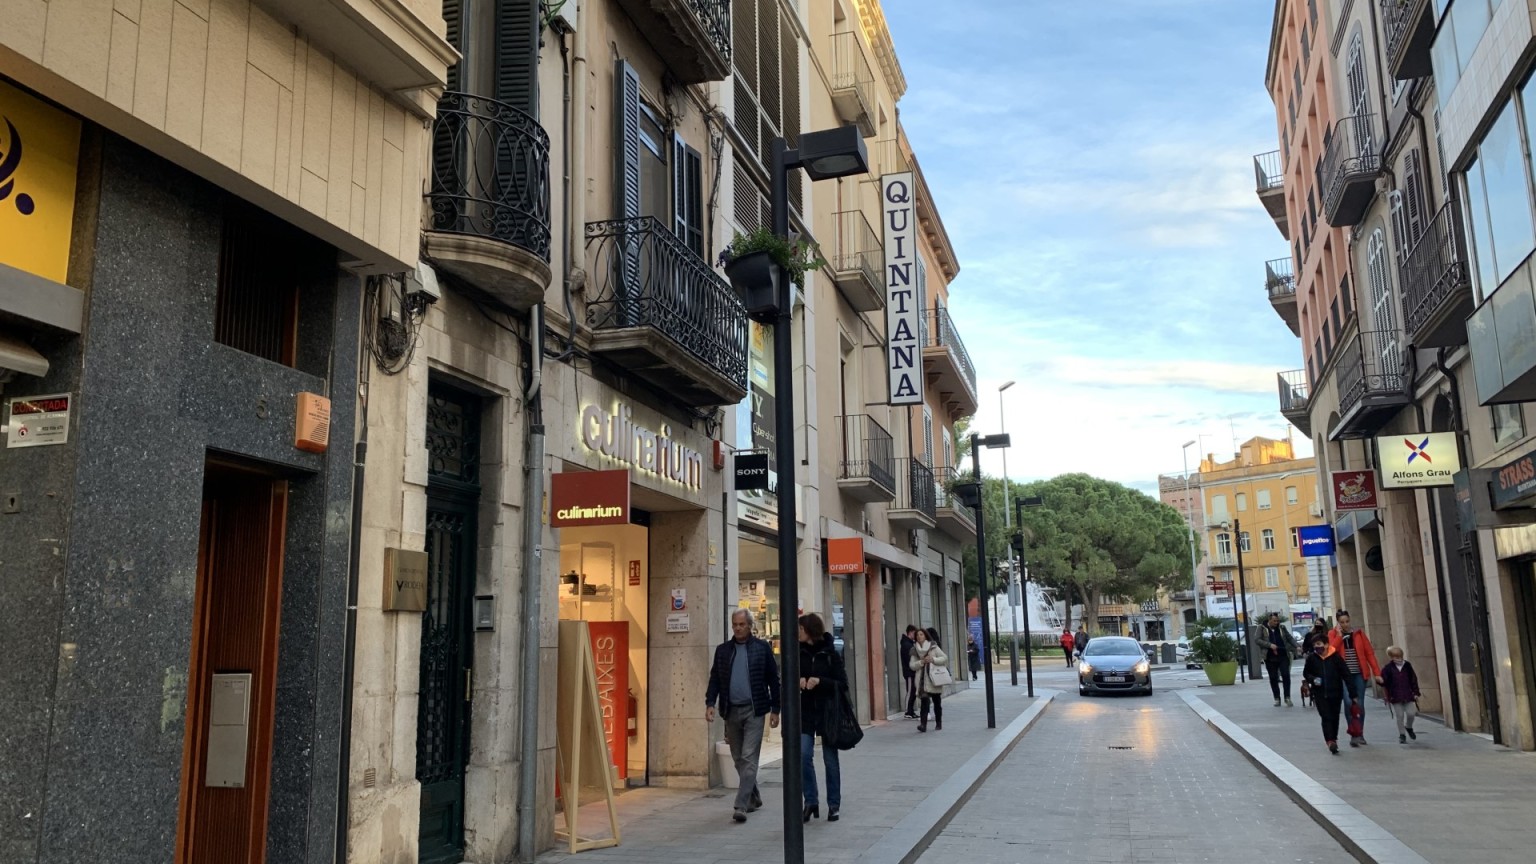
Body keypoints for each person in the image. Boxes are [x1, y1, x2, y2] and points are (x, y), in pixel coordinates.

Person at [704, 609, 781, 822]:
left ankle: (741, 804)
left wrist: (776, 709)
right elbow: (715, 679)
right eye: (735, 625)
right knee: (738, 759)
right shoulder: (723, 651)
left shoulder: (762, 648)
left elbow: (773, 680)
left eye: (741, 624)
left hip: (755, 709)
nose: (738, 628)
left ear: (750, 626)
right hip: (731, 710)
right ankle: (754, 796)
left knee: (749, 757)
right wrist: (710, 702)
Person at [797, 613, 846, 823]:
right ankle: (811, 800)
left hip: (827, 711)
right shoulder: (797, 652)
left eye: (800, 629)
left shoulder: (830, 653)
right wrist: (798, 680)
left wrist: (820, 681)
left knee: (830, 759)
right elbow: (787, 678)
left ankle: (833, 804)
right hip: (806, 711)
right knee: (803, 755)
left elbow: (842, 684)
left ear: (809, 630)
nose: (797, 632)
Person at [1327, 610, 1382, 747]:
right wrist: (1339, 636)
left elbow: (1369, 653)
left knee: (1359, 704)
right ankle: (1353, 732)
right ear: (1338, 623)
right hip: (1344, 676)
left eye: (1347, 621)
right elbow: (1330, 651)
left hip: (1359, 674)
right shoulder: (1332, 634)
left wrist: (1377, 672)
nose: (1345, 624)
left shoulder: (1359, 634)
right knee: (1348, 702)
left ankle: (1359, 733)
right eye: (1342, 622)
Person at [1303, 638, 1350, 754]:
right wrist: (1313, 679)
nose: (1316, 647)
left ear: (1326, 644)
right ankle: (1330, 741)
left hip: (1335, 692)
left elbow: (1346, 674)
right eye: (1315, 645)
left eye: (1319, 644)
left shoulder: (1335, 657)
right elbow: (1306, 673)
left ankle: (1334, 737)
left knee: (1334, 716)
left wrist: (1352, 692)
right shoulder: (1312, 658)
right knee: (1326, 716)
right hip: (1319, 693)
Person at [1254, 612, 1299, 707]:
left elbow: (1289, 638)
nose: (1276, 622)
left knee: (1286, 675)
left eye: (1277, 621)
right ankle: (1277, 698)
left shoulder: (1281, 628)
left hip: (1283, 655)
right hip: (1270, 657)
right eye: (1274, 621)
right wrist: (1269, 645)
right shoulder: (1261, 628)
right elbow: (1257, 640)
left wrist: (1296, 646)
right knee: (1273, 677)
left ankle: (1287, 697)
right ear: (1269, 620)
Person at [910, 626, 948, 732]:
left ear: (925, 636)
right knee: (924, 702)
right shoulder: (914, 650)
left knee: (936, 702)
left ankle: (938, 723)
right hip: (922, 680)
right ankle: (923, 725)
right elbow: (912, 665)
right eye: (917, 635)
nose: (919, 637)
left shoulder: (933, 647)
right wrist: (921, 662)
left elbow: (944, 658)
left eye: (921, 634)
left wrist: (933, 659)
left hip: (934, 678)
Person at [1381, 645, 1422, 744]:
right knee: (1399, 716)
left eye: (1399, 657)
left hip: (1408, 694)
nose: (1398, 659)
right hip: (1395, 695)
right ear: (1391, 657)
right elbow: (1384, 681)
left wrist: (1416, 692)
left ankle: (1409, 727)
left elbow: (1413, 679)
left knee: (1411, 713)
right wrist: (1380, 681)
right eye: (1395, 657)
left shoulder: (1407, 666)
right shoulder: (1388, 668)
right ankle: (1402, 734)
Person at [900, 625, 919, 719]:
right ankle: (908, 711)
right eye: (914, 633)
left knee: (913, 691)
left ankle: (910, 711)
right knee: (910, 691)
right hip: (909, 672)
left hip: (911, 671)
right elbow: (909, 659)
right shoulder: (907, 645)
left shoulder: (910, 643)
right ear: (910, 632)